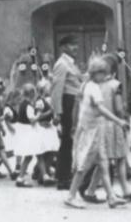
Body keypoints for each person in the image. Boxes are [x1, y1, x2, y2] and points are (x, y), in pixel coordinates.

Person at [64, 56, 129, 209]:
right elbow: (101, 109)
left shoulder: (86, 85)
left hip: (91, 129)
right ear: (97, 73)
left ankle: (111, 197)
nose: (106, 76)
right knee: (83, 165)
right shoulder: (94, 88)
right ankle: (70, 196)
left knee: (104, 163)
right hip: (90, 131)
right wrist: (118, 121)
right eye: (103, 73)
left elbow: (79, 107)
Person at [82, 53, 131, 203]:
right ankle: (125, 190)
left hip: (98, 124)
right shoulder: (115, 85)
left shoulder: (94, 84)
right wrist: (123, 118)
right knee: (120, 159)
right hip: (113, 125)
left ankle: (91, 191)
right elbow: (118, 108)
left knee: (103, 161)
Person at [51, 35, 84, 190]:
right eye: (72, 45)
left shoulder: (71, 64)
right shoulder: (62, 64)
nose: (75, 47)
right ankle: (63, 178)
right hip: (67, 103)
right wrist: (57, 112)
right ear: (63, 47)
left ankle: (64, 175)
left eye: (76, 44)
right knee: (67, 141)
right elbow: (56, 89)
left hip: (74, 102)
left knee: (69, 141)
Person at [34, 81, 59, 185]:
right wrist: (50, 112)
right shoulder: (40, 101)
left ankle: (44, 172)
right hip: (41, 128)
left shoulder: (51, 100)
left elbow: (54, 118)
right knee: (42, 151)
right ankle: (44, 174)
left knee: (52, 151)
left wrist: (55, 119)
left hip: (50, 128)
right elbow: (37, 116)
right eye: (48, 88)